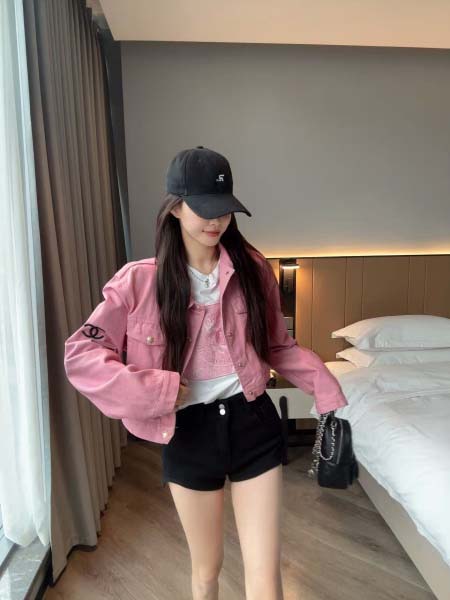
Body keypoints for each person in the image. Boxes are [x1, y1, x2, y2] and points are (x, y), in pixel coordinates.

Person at [64, 145, 348, 600]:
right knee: (206, 571)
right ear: (175, 207)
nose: (216, 221)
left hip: (253, 422)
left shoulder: (253, 270)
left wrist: (328, 392)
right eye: (203, 209)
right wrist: (156, 391)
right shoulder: (138, 281)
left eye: (225, 210)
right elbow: (81, 354)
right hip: (188, 433)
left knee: (265, 575)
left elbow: (278, 345)